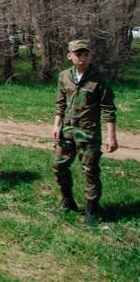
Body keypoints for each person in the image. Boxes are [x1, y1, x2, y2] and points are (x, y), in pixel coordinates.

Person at [52, 40, 118, 223]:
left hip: (89, 133)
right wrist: (56, 125)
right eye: (77, 54)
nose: (81, 57)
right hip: (67, 131)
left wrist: (111, 136)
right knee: (59, 166)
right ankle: (67, 200)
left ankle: (91, 210)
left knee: (90, 171)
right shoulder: (64, 76)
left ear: (90, 56)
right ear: (70, 56)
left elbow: (109, 109)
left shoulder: (98, 79)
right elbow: (60, 103)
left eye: (85, 54)